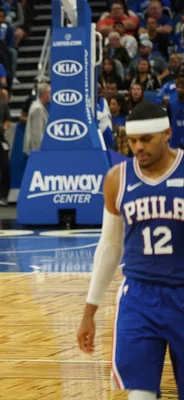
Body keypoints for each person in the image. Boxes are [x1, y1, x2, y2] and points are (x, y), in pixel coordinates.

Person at [77, 102, 184, 400]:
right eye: (133, 140)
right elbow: (110, 247)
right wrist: (89, 311)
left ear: (167, 133)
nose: (138, 147)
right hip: (139, 297)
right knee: (139, 394)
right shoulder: (117, 179)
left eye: (146, 140)